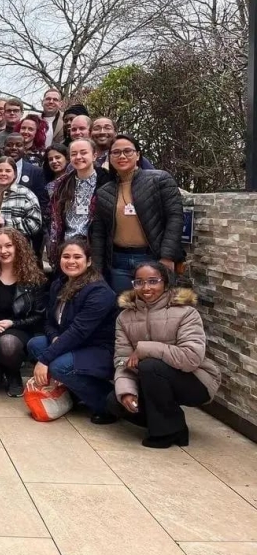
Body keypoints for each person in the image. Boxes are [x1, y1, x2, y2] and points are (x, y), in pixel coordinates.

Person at [108, 262, 221, 448]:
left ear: (166, 283)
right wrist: (127, 391)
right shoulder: (124, 318)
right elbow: (122, 360)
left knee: (150, 365)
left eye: (153, 281)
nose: (146, 288)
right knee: (115, 401)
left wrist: (145, 349)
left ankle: (165, 433)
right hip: (152, 380)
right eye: (139, 282)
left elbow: (191, 358)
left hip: (195, 380)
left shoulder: (186, 313)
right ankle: (175, 425)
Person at [27, 239, 118, 424]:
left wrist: (45, 360)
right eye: (66, 256)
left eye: (77, 257)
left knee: (58, 366)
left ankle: (108, 404)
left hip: (99, 349)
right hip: (73, 343)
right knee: (35, 345)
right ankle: (75, 393)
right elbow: (50, 321)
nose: (71, 261)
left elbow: (79, 331)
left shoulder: (99, 292)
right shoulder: (59, 283)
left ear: (89, 261)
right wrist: (54, 339)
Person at [90, 135, 184, 294]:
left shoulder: (159, 180)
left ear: (138, 155)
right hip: (118, 262)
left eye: (127, 151)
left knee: (156, 309)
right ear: (109, 157)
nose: (122, 156)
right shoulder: (104, 191)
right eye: (116, 152)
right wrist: (97, 269)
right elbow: (99, 232)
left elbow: (175, 218)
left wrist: (167, 257)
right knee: (124, 308)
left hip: (152, 258)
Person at [0, 228, 47, 397]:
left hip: (16, 334)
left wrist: (12, 323)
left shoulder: (33, 275)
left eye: (8, 245)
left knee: (8, 344)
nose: (3, 251)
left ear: (18, 247)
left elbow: (39, 315)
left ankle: (13, 372)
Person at [46, 139, 109, 265]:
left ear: (94, 155)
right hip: (67, 247)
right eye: (74, 154)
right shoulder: (61, 185)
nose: (78, 157)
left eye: (83, 152)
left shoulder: (107, 182)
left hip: (95, 247)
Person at [0, 157, 42, 242]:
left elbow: (35, 224)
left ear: (15, 174)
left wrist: (6, 223)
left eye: (8, 171)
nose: (3, 173)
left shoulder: (26, 194)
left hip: (14, 248)